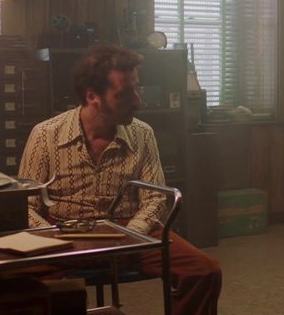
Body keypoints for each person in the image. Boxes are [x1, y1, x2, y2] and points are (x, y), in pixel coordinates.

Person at [19, 44, 222, 315]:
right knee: (9, 280)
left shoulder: (142, 133)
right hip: (62, 234)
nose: (137, 101)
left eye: (136, 89)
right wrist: (55, 241)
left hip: (129, 230)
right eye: (125, 94)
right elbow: (25, 205)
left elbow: (155, 199)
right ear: (92, 96)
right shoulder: (45, 135)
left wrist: (128, 237)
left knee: (204, 271)